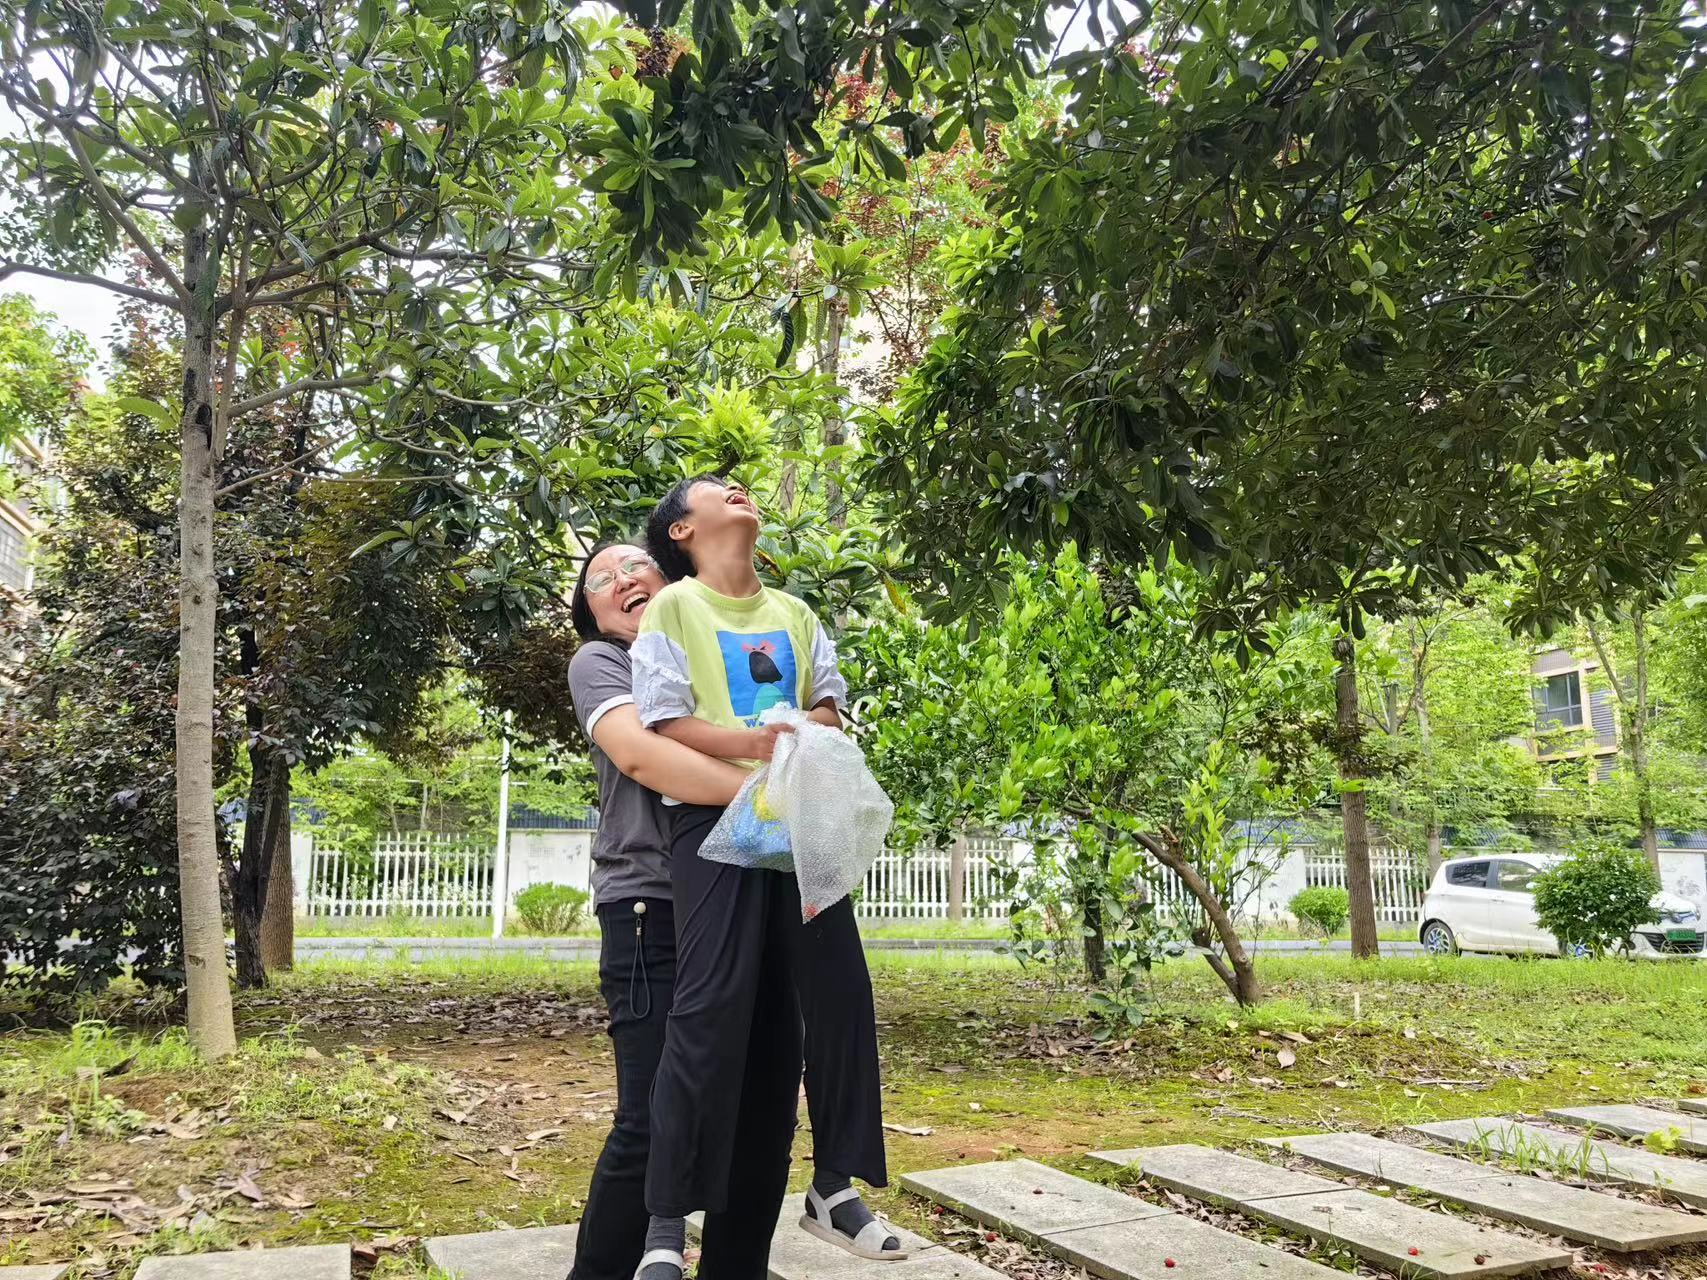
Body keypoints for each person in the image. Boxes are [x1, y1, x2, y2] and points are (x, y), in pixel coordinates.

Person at [631, 475, 902, 1275]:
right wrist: (753, 745)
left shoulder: (795, 613)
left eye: (742, 486)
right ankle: (665, 1219)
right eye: (718, 489)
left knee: (840, 996)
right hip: (711, 826)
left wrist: (792, 733)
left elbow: (826, 708)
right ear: (681, 531)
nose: (739, 490)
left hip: (798, 822)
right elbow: (664, 718)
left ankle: (833, 1186)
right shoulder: (673, 608)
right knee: (706, 1009)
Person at [565, 543, 804, 1280]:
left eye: (635, 565)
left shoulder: (717, 661)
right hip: (654, 907)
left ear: (669, 583)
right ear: (592, 612)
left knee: (762, 1116)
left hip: (753, 895)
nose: (623, 580)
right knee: (650, 1117)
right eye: (601, 580)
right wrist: (782, 791)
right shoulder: (602, 662)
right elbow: (644, 757)